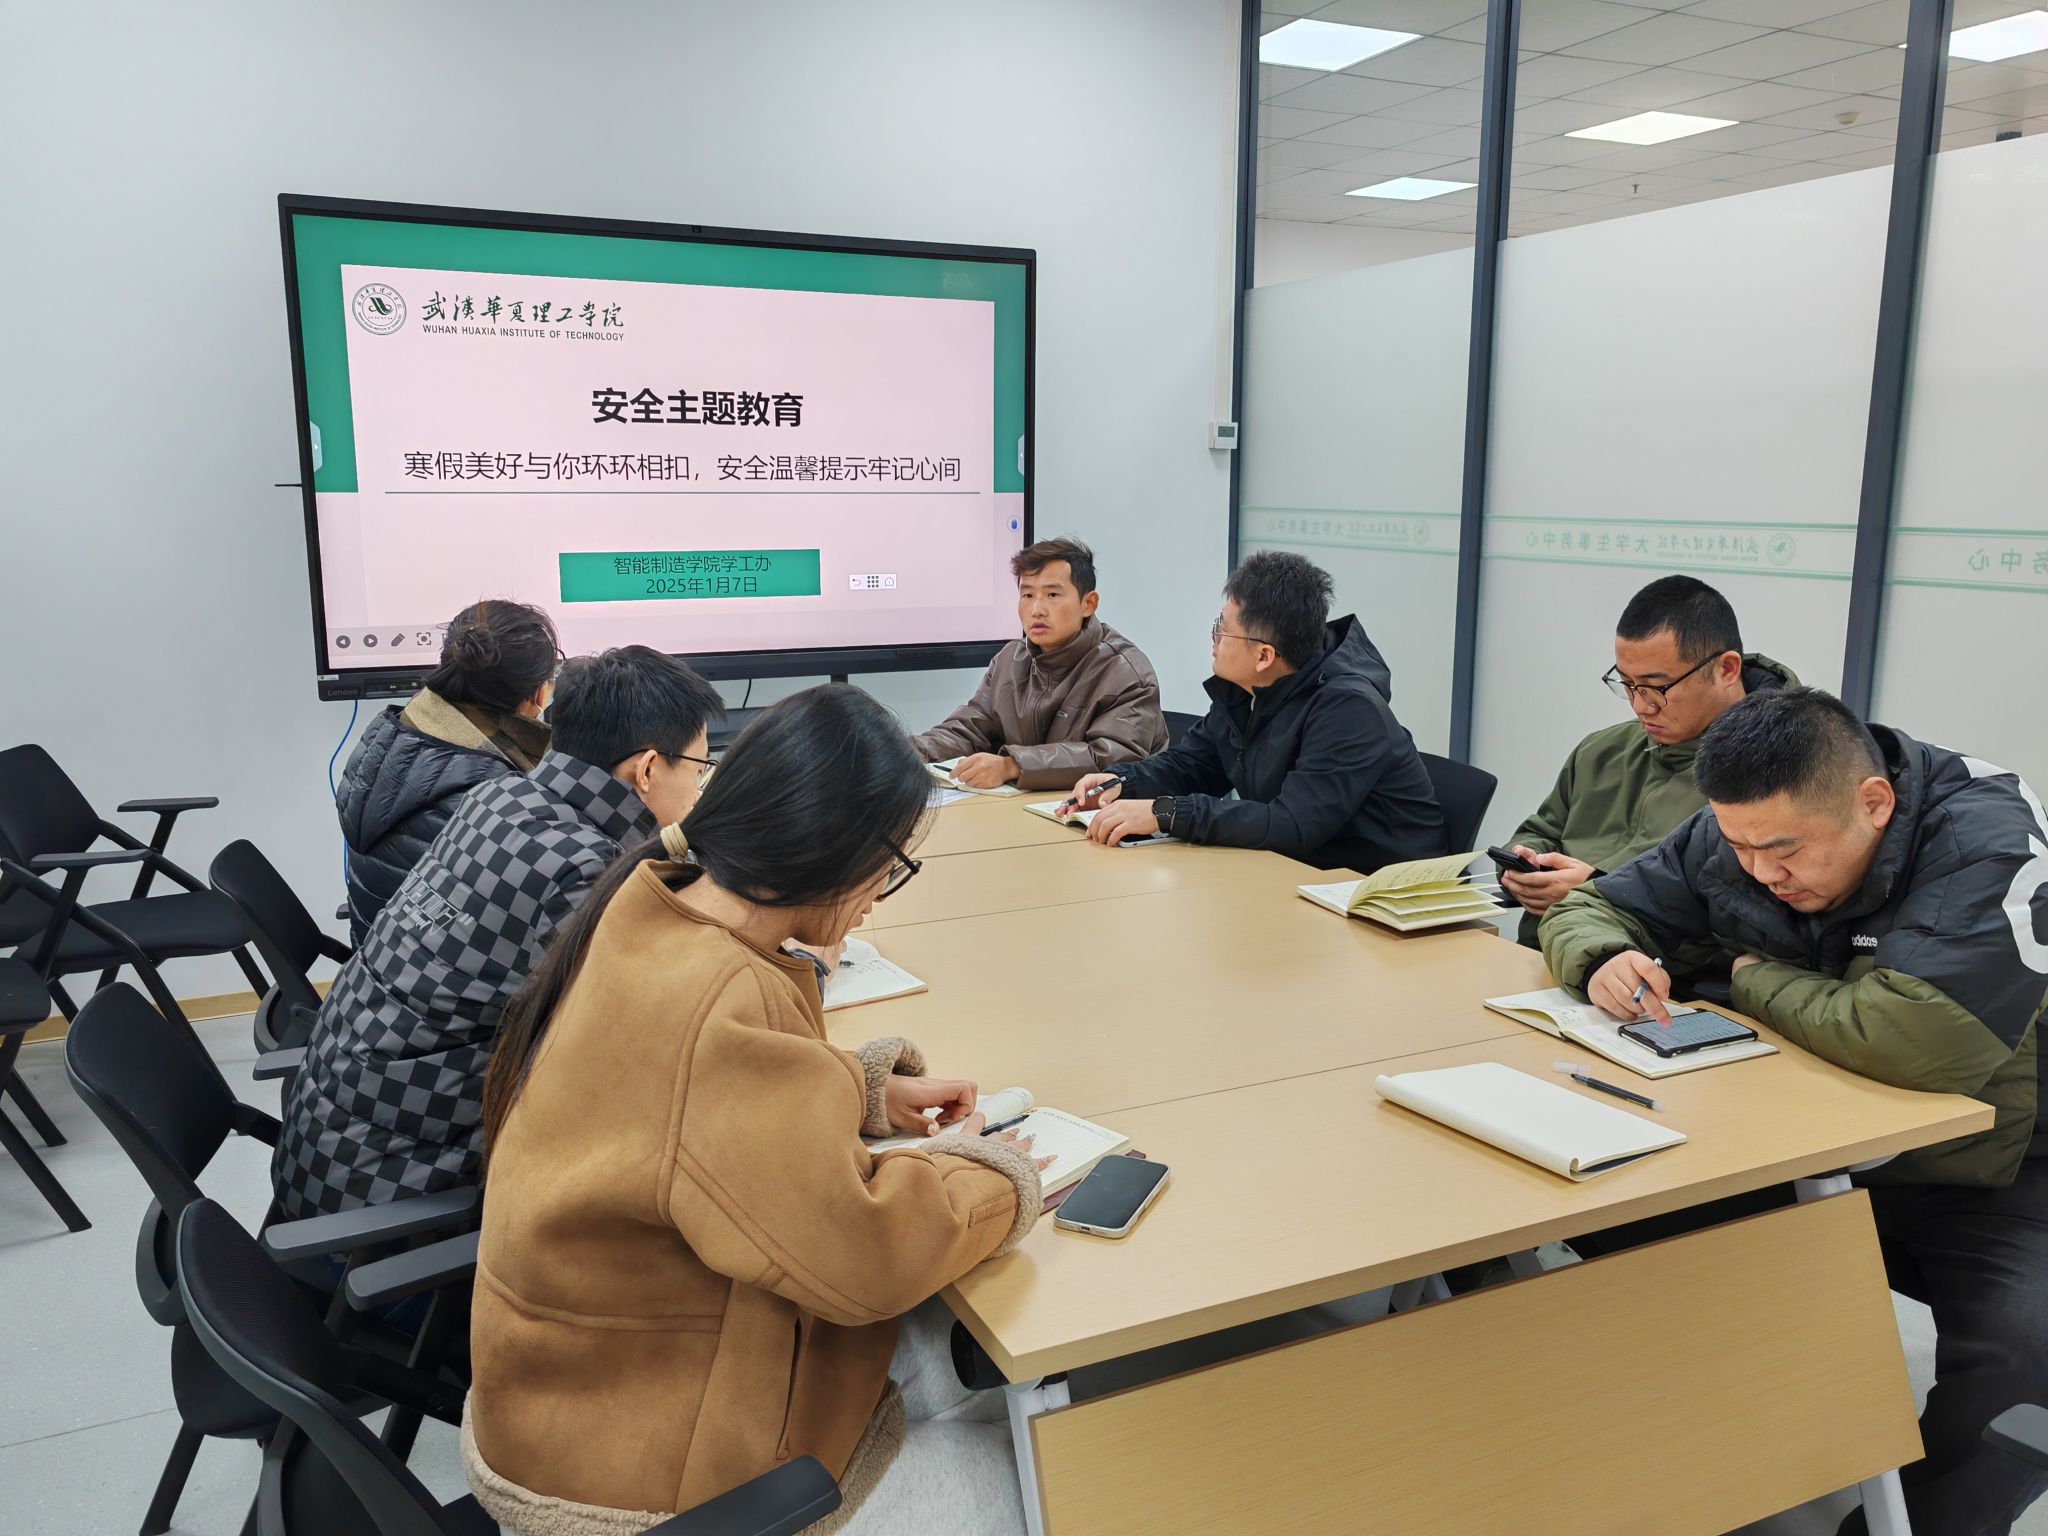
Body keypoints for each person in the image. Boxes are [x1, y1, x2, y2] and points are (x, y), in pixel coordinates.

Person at [463, 685, 1047, 1535]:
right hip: (650, 1476)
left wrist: (860, 1090)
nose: (879, 895)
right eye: (888, 866)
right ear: (832, 851)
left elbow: (682, 1111)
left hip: (570, 1391)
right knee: (1038, 1470)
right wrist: (996, 1174)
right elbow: (864, 1257)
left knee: (964, 1354)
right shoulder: (721, 998)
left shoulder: (655, 903)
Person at [1541, 687, 2048, 1536]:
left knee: (2027, 1358)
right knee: (1607, 1209)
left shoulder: (1985, 840)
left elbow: (1918, 1042)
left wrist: (1748, 978)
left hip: (1990, 1163)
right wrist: (1603, 956)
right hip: (1802, 1133)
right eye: (1740, 848)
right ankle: (1703, 1456)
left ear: (1873, 803)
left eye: (1783, 852)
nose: (1759, 872)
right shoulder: (1748, 823)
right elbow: (1595, 903)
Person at [272, 645, 725, 1220]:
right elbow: (652, 1043)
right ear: (649, 770)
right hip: (390, 1198)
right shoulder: (585, 871)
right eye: (700, 769)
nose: (700, 787)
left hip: (325, 1148)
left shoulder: (500, 795)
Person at [1069, 549, 1444, 870]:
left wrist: (1165, 813)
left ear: (1264, 656)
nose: (1214, 637)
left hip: (1378, 894)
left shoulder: (1348, 709)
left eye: (1223, 628)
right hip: (1298, 874)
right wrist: (1122, 782)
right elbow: (1194, 766)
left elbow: (1292, 824)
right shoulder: (1248, 690)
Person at [1499, 575, 1797, 945]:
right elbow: (1542, 831)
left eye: (1657, 687)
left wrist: (1597, 892)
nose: (1641, 706)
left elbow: (1745, 924)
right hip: (1543, 957)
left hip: (1650, 973)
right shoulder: (1603, 750)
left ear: (1727, 669)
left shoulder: (1775, 774)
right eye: (1627, 684)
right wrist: (1526, 863)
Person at [336, 599, 561, 945]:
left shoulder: (389, 735)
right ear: (538, 694)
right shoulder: (494, 794)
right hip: (442, 967)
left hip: (378, 946)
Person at [909, 535, 1168, 789]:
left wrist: (1013, 765)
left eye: (1052, 595)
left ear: (1088, 604)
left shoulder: (1125, 672)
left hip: (1101, 810)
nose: (1037, 610)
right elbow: (969, 729)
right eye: (1028, 595)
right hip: (1025, 806)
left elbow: (1111, 757)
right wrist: (906, 753)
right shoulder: (1010, 660)